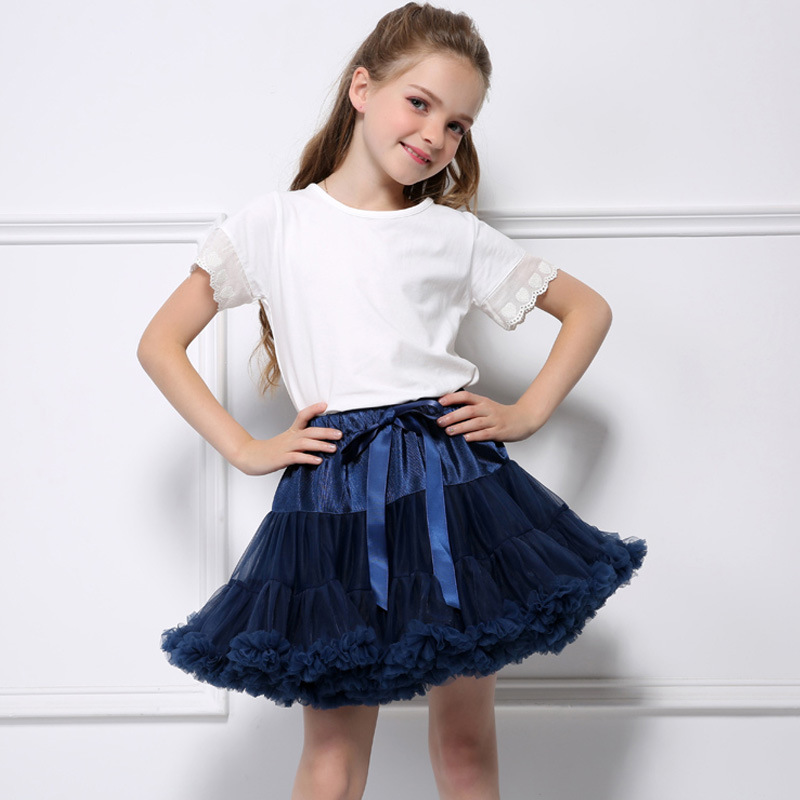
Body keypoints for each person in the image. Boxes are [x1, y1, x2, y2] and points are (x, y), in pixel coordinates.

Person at [138, 3, 646, 798]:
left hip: (452, 489)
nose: (436, 135)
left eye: (458, 125)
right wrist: (245, 447)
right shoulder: (274, 224)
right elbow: (160, 343)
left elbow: (588, 309)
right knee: (333, 757)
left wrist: (526, 413)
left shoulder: (454, 235)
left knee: (466, 745)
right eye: (420, 103)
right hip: (333, 495)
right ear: (362, 89)